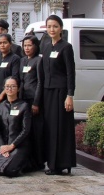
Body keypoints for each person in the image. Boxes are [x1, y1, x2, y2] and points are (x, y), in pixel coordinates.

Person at [38, 14, 76, 175]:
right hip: (47, 91)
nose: (52, 29)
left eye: (55, 26)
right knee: (49, 127)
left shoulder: (66, 47)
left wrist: (70, 95)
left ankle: (61, 163)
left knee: (60, 128)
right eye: (49, 26)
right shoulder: (45, 46)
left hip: (61, 92)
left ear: (61, 28)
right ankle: (51, 162)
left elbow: (70, 73)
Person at [0, 76, 32, 177]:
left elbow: (26, 130)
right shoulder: (1, 106)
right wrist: (3, 146)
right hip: (4, 145)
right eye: (7, 86)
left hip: (18, 145)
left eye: (13, 86)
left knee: (9, 171)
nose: (10, 89)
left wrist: (12, 146)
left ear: (18, 88)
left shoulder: (24, 106)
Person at [20, 34, 44, 170]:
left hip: (34, 100)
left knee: (36, 131)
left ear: (35, 46)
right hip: (23, 99)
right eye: (25, 46)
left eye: (29, 45)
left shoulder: (38, 61)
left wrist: (36, 102)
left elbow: (40, 82)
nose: (27, 48)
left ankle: (38, 161)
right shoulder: (23, 60)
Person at [0, 34, 21, 106]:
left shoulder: (15, 58)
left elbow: (15, 78)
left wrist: (2, 95)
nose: (2, 45)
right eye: (0, 43)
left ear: (10, 44)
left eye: (5, 43)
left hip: (9, 94)